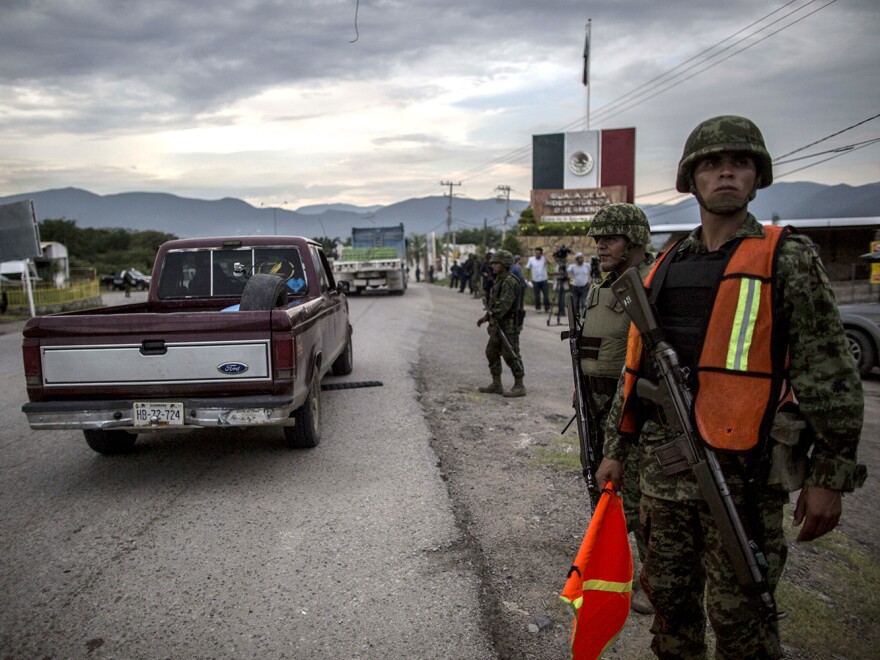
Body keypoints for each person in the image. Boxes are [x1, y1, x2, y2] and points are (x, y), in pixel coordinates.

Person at [596, 115, 866, 658]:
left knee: (742, 617)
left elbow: (829, 374)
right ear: (691, 179)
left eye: (739, 164)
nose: (726, 174)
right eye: (712, 165)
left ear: (756, 177)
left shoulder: (785, 256)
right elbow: (637, 374)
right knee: (670, 609)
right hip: (664, 480)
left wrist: (829, 473)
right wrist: (616, 451)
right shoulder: (666, 265)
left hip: (742, 480)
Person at [579, 204, 655, 615]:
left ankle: (653, 581)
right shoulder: (603, 284)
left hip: (632, 408)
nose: (600, 245)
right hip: (597, 403)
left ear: (634, 241)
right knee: (603, 491)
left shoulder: (648, 284)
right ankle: (614, 568)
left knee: (642, 497)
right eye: (597, 238)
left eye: (609, 238)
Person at [477, 250, 526, 398]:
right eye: (493, 263)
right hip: (499, 323)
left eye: (496, 263)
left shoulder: (510, 281)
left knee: (511, 354)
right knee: (491, 352)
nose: (493, 266)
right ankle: (496, 384)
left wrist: (492, 321)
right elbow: (495, 304)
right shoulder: (499, 279)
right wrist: (486, 317)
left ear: (505, 264)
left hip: (509, 324)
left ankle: (519, 385)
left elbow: (503, 305)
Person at [566, 251, 591, 317]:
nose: (581, 259)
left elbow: (592, 273)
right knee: (575, 303)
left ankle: (584, 316)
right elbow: (567, 271)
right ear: (576, 259)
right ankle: (576, 316)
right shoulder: (573, 266)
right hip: (575, 287)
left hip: (584, 287)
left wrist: (590, 281)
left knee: (584, 302)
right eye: (579, 258)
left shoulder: (587, 265)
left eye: (582, 258)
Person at [526, 247, 550, 312]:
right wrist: (528, 278)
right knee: (537, 295)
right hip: (535, 280)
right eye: (536, 253)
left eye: (539, 253)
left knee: (546, 295)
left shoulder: (543, 259)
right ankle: (538, 308)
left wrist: (545, 257)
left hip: (544, 279)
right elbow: (528, 268)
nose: (537, 254)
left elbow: (550, 263)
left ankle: (547, 308)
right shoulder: (531, 259)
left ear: (541, 253)